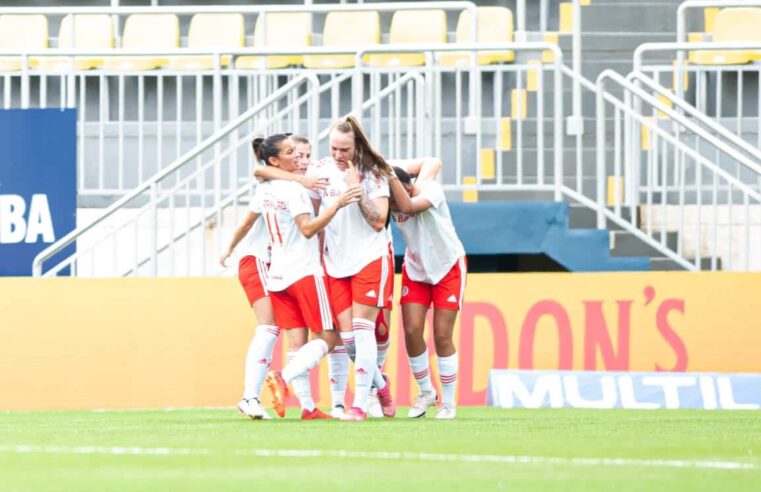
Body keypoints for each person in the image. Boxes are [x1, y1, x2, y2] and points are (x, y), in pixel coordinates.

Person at [252, 133, 363, 419]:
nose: (300, 159)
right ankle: (283, 377)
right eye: (293, 153)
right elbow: (308, 229)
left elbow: (259, 170)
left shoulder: (267, 188)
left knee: (296, 344)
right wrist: (338, 204)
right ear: (277, 160)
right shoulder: (294, 190)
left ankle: (307, 407)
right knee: (328, 336)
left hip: (277, 275)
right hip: (303, 271)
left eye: (303, 154)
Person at [304, 116, 397, 421]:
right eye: (333, 148)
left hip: (370, 257)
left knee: (362, 330)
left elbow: (378, 220)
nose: (338, 155)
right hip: (335, 261)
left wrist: (356, 189)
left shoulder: (374, 173)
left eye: (344, 149)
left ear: (357, 147)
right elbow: (313, 215)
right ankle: (381, 386)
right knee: (348, 342)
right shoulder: (319, 170)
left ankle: (359, 404)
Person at [388, 162, 467, 419]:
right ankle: (426, 392)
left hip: (448, 267)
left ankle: (449, 402)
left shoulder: (430, 190)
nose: (391, 207)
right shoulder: (388, 200)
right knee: (411, 330)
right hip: (416, 268)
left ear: (408, 187)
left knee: (442, 335)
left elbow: (411, 204)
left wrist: (387, 174)